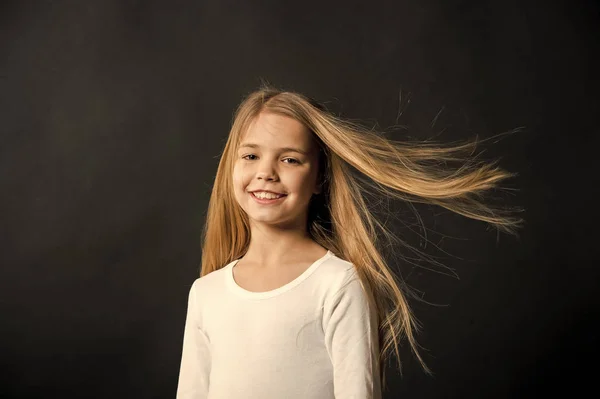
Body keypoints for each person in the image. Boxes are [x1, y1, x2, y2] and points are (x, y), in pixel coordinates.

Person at [175, 83, 524, 398]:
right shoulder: (206, 292)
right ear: (230, 166)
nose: (266, 172)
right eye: (251, 155)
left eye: (290, 159)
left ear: (319, 179)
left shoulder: (338, 285)